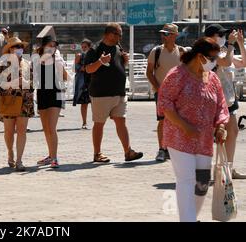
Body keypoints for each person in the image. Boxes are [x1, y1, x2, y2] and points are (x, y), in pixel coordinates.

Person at [158, 37, 229, 222]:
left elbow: (221, 104)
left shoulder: (212, 78)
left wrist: (221, 125)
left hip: (204, 139)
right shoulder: (176, 75)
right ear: (200, 56)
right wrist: (185, 126)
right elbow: (165, 104)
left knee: (202, 184)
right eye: (212, 58)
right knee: (186, 180)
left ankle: (191, 217)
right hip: (179, 136)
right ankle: (187, 219)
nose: (214, 62)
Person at [85, 23, 143, 163]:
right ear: (108, 34)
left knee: (121, 121)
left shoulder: (118, 47)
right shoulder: (95, 49)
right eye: (117, 34)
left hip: (119, 93)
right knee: (99, 123)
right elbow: (88, 69)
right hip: (101, 93)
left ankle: (128, 152)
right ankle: (97, 153)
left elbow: (117, 66)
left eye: (120, 34)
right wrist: (100, 61)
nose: (120, 37)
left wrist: (125, 61)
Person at [205, 24, 246, 180]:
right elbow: (227, 62)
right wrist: (230, 44)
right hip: (214, 101)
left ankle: (228, 168)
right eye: (220, 35)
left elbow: (243, 62)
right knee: (213, 136)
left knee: (233, 132)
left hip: (229, 99)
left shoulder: (225, 51)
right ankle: (213, 170)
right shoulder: (208, 53)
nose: (223, 37)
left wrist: (240, 43)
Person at [147, 24, 186, 162]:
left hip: (179, 94)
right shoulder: (156, 51)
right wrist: (158, 88)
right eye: (163, 33)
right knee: (163, 121)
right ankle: (162, 149)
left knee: (178, 121)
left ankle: (174, 149)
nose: (163, 36)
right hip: (162, 93)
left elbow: (187, 72)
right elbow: (149, 72)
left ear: (175, 35)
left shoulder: (182, 52)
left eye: (167, 34)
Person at [0, 37, 34, 172]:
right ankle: (10, 152)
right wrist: (10, 84)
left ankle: (19, 160)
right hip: (8, 101)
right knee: (8, 131)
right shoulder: (3, 64)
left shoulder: (28, 64)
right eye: (16, 47)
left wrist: (25, 83)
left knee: (21, 131)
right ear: (10, 49)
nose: (19, 49)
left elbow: (33, 84)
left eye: (20, 46)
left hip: (25, 101)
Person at [33, 35, 68, 169]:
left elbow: (65, 77)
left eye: (54, 45)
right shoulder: (36, 58)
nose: (52, 48)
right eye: (50, 45)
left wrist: (60, 66)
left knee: (52, 127)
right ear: (43, 46)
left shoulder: (58, 59)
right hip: (42, 93)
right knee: (46, 128)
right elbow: (34, 76)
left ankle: (54, 158)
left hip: (56, 92)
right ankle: (50, 155)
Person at [73, 39, 92, 130]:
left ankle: (97, 121)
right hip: (83, 81)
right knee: (84, 104)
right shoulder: (79, 55)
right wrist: (83, 68)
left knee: (95, 103)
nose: (84, 48)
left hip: (92, 81)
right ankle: (84, 122)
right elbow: (75, 68)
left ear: (89, 47)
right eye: (82, 47)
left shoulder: (93, 55)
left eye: (85, 47)